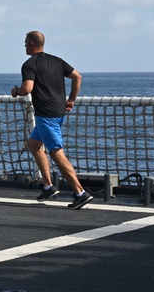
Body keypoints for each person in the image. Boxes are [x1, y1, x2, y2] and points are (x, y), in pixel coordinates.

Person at [10, 31, 93, 209]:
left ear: (32, 44)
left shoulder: (29, 64)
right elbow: (77, 77)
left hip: (46, 115)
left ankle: (80, 193)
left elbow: (27, 88)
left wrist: (16, 91)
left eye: (25, 43)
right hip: (55, 112)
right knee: (33, 144)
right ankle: (48, 186)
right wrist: (70, 100)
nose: (24, 46)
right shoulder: (57, 60)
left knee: (56, 153)